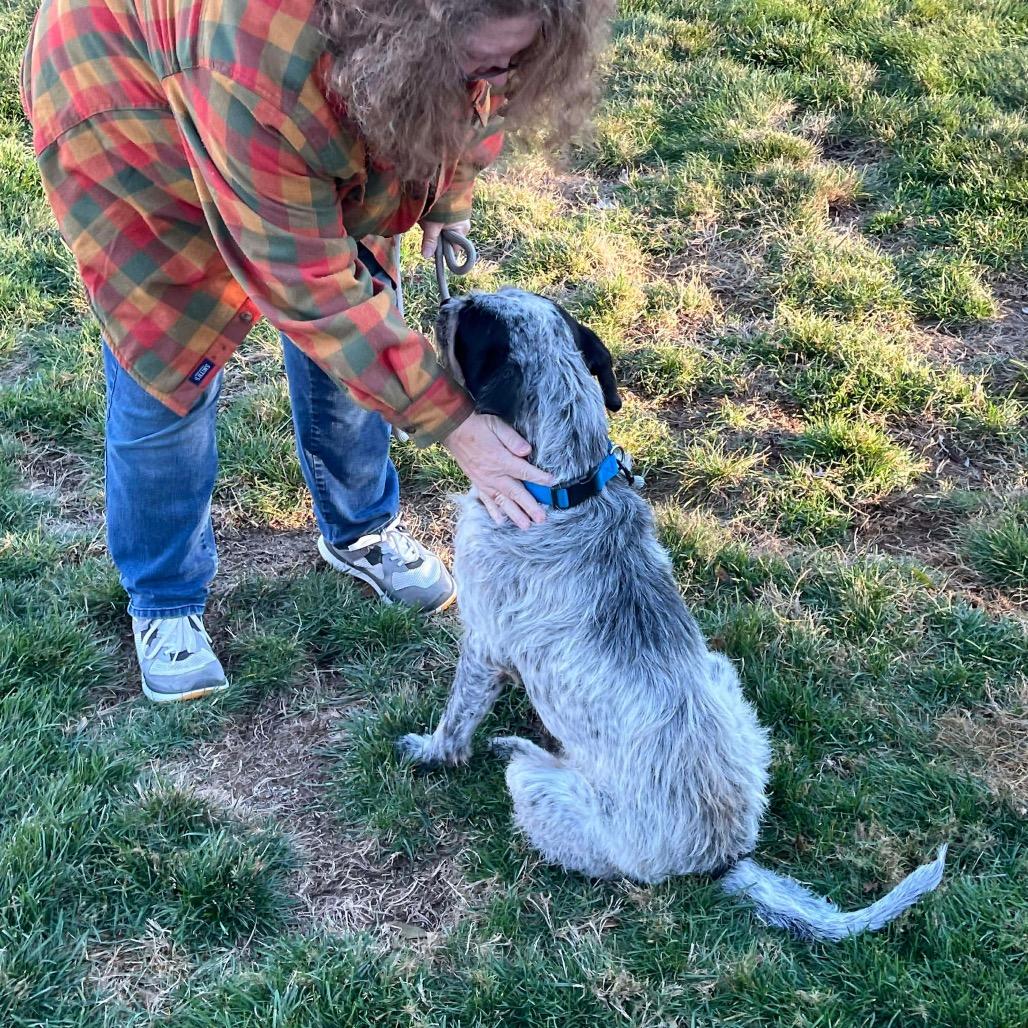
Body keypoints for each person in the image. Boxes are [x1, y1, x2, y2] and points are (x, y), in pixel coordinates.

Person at [20, 0, 612, 702]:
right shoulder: (260, 63)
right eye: (483, 64)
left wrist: (450, 187)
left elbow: (470, 97)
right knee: (166, 357)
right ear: (412, 34)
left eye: (513, 63)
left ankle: (358, 529)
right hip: (128, 99)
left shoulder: (429, 51)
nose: (497, 82)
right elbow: (313, 293)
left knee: (366, 295)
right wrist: (453, 424)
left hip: (308, 85)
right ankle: (164, 598)